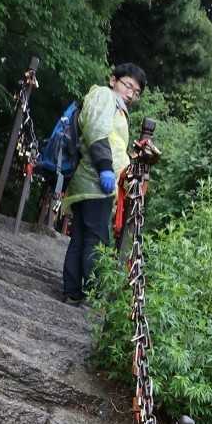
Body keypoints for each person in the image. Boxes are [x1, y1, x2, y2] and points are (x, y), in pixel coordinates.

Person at [62, 64, 146, 305]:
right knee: (96, 240)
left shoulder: (116, 107)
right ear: (113, 80)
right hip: (96, 181)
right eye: (128, 85)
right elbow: (97, 133)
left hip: (93, 181)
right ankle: (92, 295)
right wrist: (106, 168)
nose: (131, 94)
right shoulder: (104, 96)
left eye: (136, 92)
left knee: (81, 236)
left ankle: (72, 290)